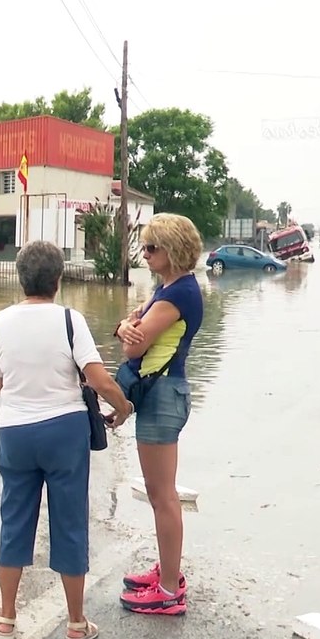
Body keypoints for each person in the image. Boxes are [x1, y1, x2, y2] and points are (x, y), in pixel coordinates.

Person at [0, 241, 132, 639]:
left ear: (20, 279)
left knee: (14, 520)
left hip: (15, 432)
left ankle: (6, 618)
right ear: (58, 280)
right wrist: (123, 406)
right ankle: (76, 624)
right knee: (69, 523)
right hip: (64, 431)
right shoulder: (70, 320)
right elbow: (99, 379)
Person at [113, 213, 204, 616]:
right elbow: (132, 327)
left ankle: (168, 591)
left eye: (152, 247)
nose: (145, 254)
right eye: (144, 246)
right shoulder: (168, 288)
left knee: (163, 496)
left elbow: (134, 346)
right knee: (158, 494)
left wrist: (126, 329)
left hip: (163, 396)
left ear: (173, 250)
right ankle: (168, 572)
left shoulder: (176, 295)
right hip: (164, 393)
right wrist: (125, 325)